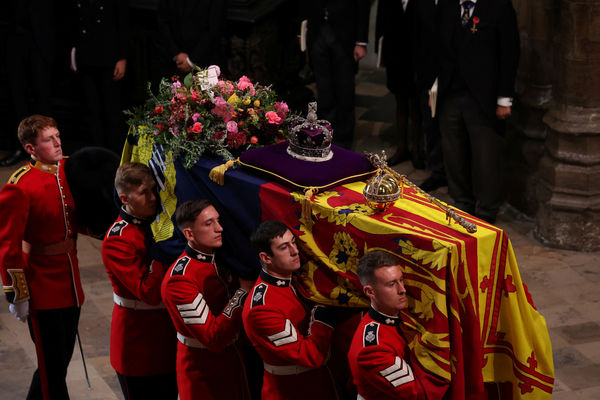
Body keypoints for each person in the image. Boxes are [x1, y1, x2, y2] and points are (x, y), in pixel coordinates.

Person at [0, 115, 84, 399]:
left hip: (71, 282)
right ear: (30, 148)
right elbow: (8, 246)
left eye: (58, 136)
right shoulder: (20, 185)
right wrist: (17, 293)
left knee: (59, 362)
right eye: (49, 139)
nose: (58, 142)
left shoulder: (68, 170)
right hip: (42, 287)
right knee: (51, 369)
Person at [437, 0, 520, 223]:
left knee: (486, 158)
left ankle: (486, 210)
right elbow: (436, 47)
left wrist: (504, 100)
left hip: (484, 98)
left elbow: (509, 53)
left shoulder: (499, 6)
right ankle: (462, 202)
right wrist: (433, 88)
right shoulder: (447, 5)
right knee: (454, 153)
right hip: (450, 94)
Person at [101, 162, 177, 399]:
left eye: (154, 190)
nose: (154, 198)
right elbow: (149, 293)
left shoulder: (155, 224)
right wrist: (161, 255)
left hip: (165, 336)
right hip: (138, 344)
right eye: (144, 193)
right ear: (124, 198)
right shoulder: (118, 240)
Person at [161, 199, 251, 400]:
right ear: (189, 234)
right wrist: (242, 293)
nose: (219, 229)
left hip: (233, 360)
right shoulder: (180, 280)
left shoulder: (219, 258)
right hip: (204, 372)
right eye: (209, 224)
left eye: (218, 221)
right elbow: (213, 337)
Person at [243, 220, 339, 400]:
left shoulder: (292, 279)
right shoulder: (262, 308)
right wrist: (322, 320)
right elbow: (310, 357)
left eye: (293, 242)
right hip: (293, 390)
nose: (295, 251)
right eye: (284, 247)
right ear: (266, 258)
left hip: (320, 382)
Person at [348, 250, 425, 400]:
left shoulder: (400, 317)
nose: (402, 290)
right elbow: (416, 394)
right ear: (370, 292)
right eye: (392, 284)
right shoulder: (373, 348)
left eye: (401, 280)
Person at [301, 0, 371, 149]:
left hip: (345, 35)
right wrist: (301, 33)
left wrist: (361, 42)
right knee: (323, 89)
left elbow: (363, 6)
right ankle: (326, 137)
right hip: (317, 32)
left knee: (344, 89)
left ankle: (344, 141)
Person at [70, 0, 129, 154]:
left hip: (109, 57)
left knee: (112, 112)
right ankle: (97, 154)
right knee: (91, 110)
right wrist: (73, 53)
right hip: (85, 56)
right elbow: (72, 22)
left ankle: (116, 155)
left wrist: (122, 58)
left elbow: (123, 23)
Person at [375, 0, 424, 168]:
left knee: (416, 106)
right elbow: (380, 20)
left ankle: (418, 149)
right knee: (400, 103)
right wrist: (379, 52)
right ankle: (402, 147)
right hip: (394, 54)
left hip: (416, 56)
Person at [414, 0, 447, 192]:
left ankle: (456, 174)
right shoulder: (422, 4)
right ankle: (437, 172)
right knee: (430, 124)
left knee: (452, 127)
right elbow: (416, 37)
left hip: (452, 73)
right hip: (426, 72)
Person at [156, 0, 227, 76]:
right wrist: (175, 53)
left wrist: (191, 60)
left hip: (206, 63)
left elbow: (215, 27)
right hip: (171, 61)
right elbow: (162, 21)